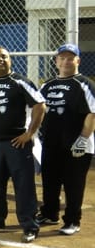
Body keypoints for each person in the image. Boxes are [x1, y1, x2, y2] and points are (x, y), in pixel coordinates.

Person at [0, 46, 45, 243]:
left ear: (10, 60)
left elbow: (40, 105)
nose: (0, 60)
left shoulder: (20, 81)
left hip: (17, 143)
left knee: (23, 185)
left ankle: (29, 225)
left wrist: (29, 133)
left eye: (4, 57)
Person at [36, 43, 95, 235]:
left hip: (76, 144)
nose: (66, 61)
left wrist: (83, 139)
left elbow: (92, 113)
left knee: (73, 183)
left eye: (70, 58)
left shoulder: (84, 83)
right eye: (62, 57)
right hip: (52, 142)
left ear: (78, 60)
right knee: (50, 181)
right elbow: (38, 110)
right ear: (56, 61)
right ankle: (50, 213)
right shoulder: (47, 84)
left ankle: (72, 221)